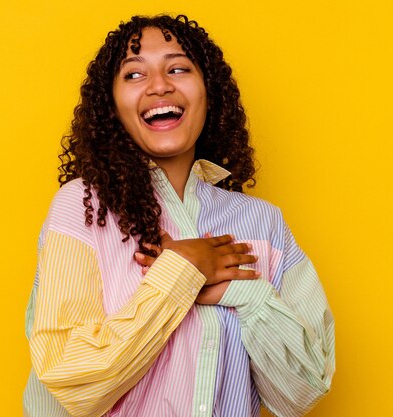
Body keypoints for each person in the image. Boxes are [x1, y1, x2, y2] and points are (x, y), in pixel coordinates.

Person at [23, 14, 335, 417]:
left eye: (178, 68)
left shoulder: (264, 225)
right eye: (134, 75)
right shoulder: (83, 207)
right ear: (112, 106)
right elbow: (70, 379)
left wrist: (242, 293)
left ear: (209, 91)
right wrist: (183, 271)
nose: (159, 85)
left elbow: (302, 391)